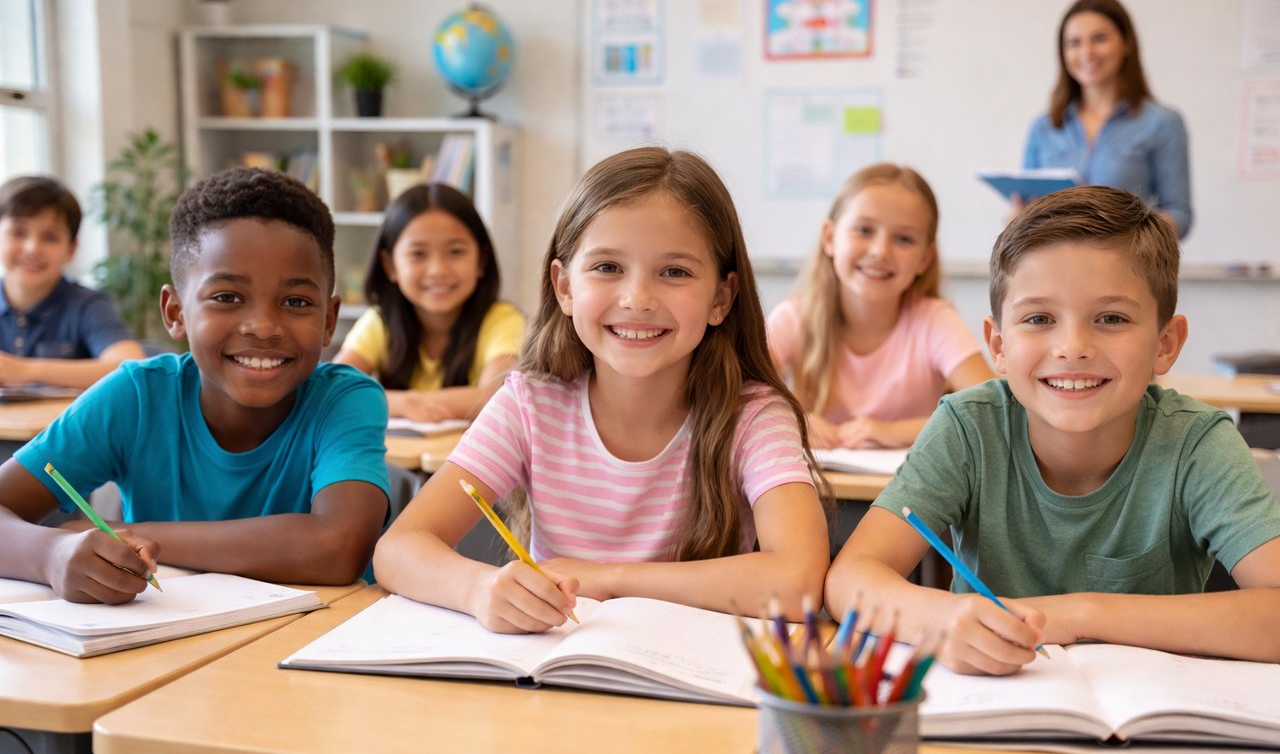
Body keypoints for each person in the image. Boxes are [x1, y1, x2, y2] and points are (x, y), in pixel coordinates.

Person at [824, 186, 1280, 675]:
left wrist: (1083, 613)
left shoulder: (1197, 443)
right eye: (1039, 318)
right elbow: (850, 578)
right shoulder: (968, 427)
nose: (1072, 346)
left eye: (1111, 318)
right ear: (998, 346)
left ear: (1165, 344)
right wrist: (941, 617)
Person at [374, 147, 829, 633]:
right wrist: (477, 589)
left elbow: (798, 580)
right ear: (564, 287)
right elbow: (399, 549)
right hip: (547, 675)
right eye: (608, 267)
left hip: (693, 679)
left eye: (674, 272)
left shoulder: (754, 416)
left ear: (721, 297)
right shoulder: (528, 405)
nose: (637, 299)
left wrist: (608, 580)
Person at [0, 167, 391, 603]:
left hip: (315, 652)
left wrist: (141, 534)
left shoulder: (344, 399)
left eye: (296, 302)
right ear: (175, 312)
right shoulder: (137, 397)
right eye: (227, 297)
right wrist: (51, 553)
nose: (263, 327)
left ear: (329, 321)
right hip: (163, 648)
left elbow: (337, 548)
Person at [767, 163, 992, 449]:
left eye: (904, 239)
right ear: (830, 238)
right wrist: (793, 418)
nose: (880, 251)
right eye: (863, 230)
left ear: (925, 258)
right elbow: (736, 392)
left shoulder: (935, 321)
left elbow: (990, 406)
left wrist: (895, 431)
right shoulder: (793, 317)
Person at [333, 183, 524, 422]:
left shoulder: (502, 320)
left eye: (455, 252)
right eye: (418, 254)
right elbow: (335, 391)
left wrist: (400, 402)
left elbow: (497, 397)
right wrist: (405, 404)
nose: (438, 270)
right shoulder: (380, 321)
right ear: (390, 265)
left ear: (481, 260)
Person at [1022, 0, 1192, 238]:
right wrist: (1017, 218)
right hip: (1054, 270)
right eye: (1074, 43)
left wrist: (1126, 232)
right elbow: (1027, 206)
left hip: (1124, 269)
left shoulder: (1162, 123)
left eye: (1099, 38)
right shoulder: (1043, 128)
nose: (1087, 52)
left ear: (1126, 44)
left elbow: (1179, 215)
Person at [0, 176, 145, 389]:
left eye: (50, 237)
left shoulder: (88, 305)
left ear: (71, 249)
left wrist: (25, 370)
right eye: (18, 232)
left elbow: (131, 367)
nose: (32, 248)